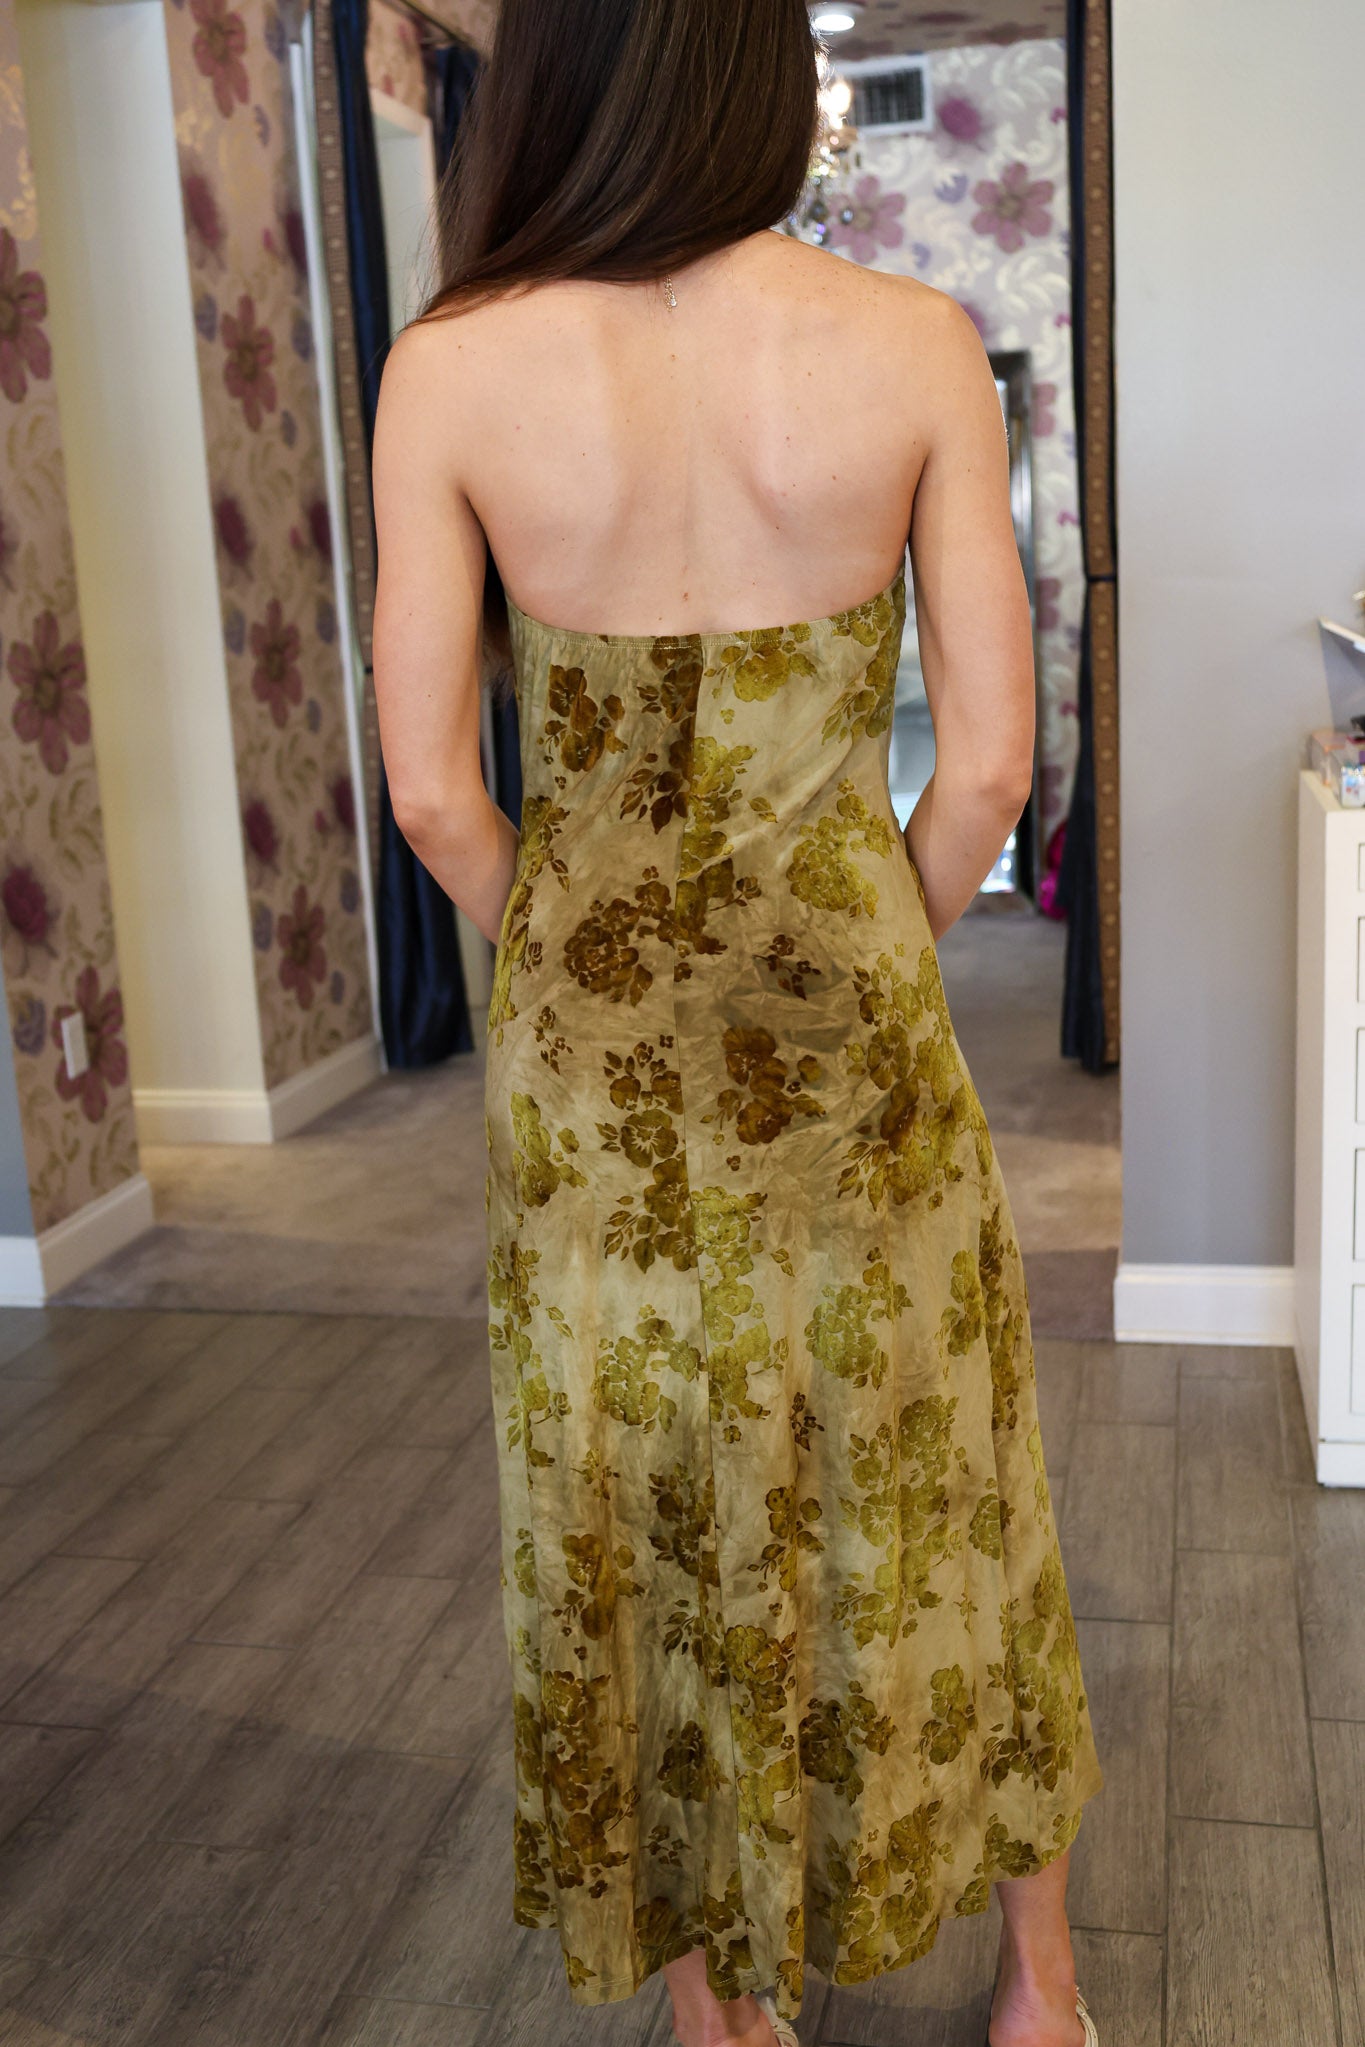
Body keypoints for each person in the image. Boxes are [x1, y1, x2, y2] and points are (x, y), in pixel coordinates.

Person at [371, 3, 1103, 2043]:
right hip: (853, 1039)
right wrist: (863, 943)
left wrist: (578, 965)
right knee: (941, 1477)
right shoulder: (917, 346)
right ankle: (1039, 1988)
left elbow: (436, 791)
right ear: (749, 74)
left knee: (643, 1502)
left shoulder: (446, 370)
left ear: (553, 77)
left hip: (594, 1089)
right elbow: (981, 772)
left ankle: (718, 2009)